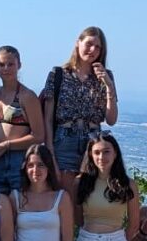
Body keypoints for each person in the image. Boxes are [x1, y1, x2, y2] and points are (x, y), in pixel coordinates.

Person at [42, 27, 119, 196]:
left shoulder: (106, 77)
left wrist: (109, 85)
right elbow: (48, 119)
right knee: (66, 195)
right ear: (78, 43)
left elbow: (111, 119)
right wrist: (50, 154)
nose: (92, 50)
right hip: (64, 139)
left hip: (94, 142)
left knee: (90, 195)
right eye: (89, 44)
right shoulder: (59, 74)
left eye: (98, 47)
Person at [0, 46, 46, 196]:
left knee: (19, 206)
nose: (6, 68)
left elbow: (39, 136)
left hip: (18, 160)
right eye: (1, 64)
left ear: (19, 65)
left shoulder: (27, 96)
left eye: (10, 64)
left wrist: (6, 145)